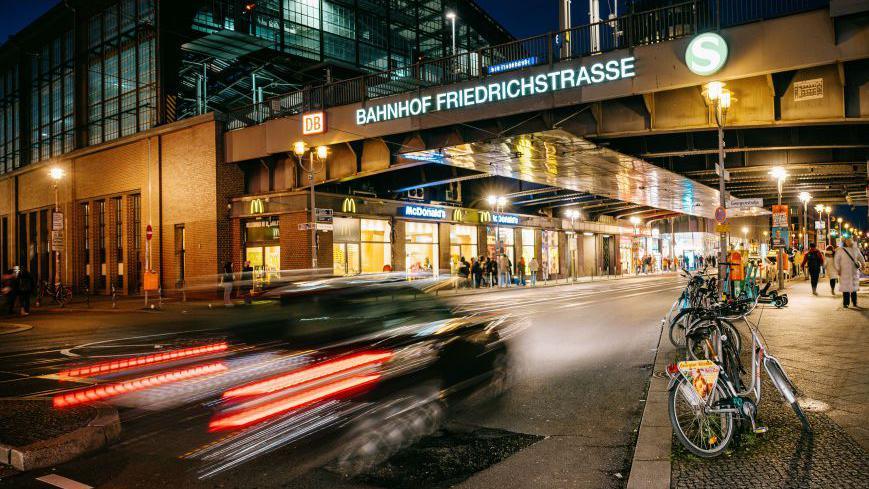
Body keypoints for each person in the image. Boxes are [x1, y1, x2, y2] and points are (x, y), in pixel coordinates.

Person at [834, 236, 865, 309]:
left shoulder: (856, 249)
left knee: (853, 288)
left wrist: (863, 264)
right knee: (845, 289)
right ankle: (846, 303)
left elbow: (861, 257)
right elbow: (836, 260)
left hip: (853, 272)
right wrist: (838, 269)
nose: (849, 242)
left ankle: (854, 302)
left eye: (850, 241)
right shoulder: (840, 250)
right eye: (847, 241)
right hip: (844, 272)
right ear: (845, 242)